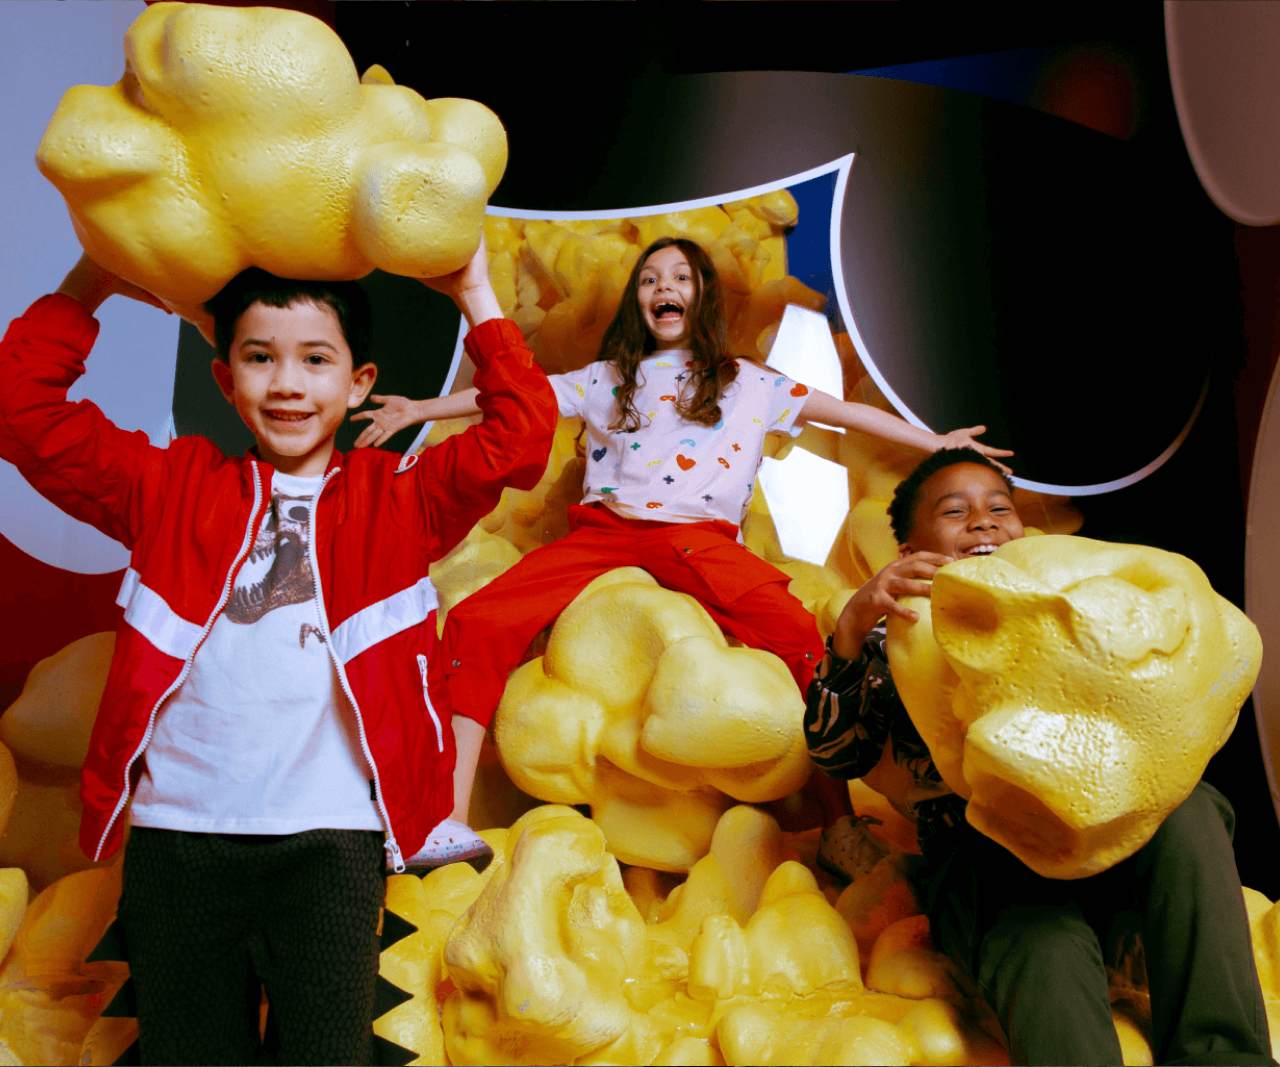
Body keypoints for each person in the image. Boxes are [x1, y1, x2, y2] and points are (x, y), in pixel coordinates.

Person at [0, 241, 557, 1065]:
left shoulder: (398, 501)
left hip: (329, 846)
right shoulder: (169, 487)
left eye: (316, 359)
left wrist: (475, 291)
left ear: (359, 382)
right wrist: (96, 277)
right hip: (178, 841)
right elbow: (22, 408)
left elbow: (520, 436)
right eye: (260, 357)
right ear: (225, 379)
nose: (288, 383)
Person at [352, 236, 1014, 866]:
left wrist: (937, 442)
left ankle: (837, 820)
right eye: (649, 279)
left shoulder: (751, 383)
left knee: (797, 637)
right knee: (477, 619)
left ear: (702, 298)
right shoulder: (607, 377)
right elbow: (513, 396)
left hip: (700, 539)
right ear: (639, 300)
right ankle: (448, 818)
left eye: (679, 278)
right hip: (603, 531)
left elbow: (842, 411)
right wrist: (421, 409)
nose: (662, 287)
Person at [805, 447, 1274, 1066]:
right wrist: (851, 633)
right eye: (955, 511)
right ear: (907, 552)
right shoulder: (891, 636)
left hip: (1115, 848)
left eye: (1001, 508)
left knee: (1190, 810)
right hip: (983, 857)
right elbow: (835, 754)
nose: (984, 521)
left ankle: (1225, 1054)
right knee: (1042, 944)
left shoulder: (1076, 601)